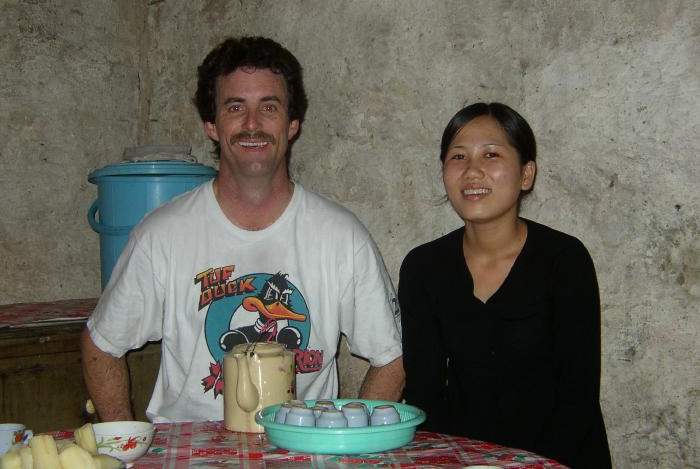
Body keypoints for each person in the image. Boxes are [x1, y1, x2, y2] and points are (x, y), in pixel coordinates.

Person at [81, 36, 404, 423]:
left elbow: (393, 358)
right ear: (212, 125)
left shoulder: (341, 236)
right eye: (236, 108)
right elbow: (101, 345)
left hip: (299, 454)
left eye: (269, 106)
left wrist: (349, 444)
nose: (252, 124)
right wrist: (124, 448)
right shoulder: (162, 235)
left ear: (293, 123)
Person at [398, 102, 611, 469]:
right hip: (464, 458)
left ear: (526, 174)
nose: (472, 170)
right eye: (458, 156)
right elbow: (424, 395)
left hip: (560, 458)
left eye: (491, 155)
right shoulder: (423, 267)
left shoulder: (564, 261)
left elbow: (577, 398)